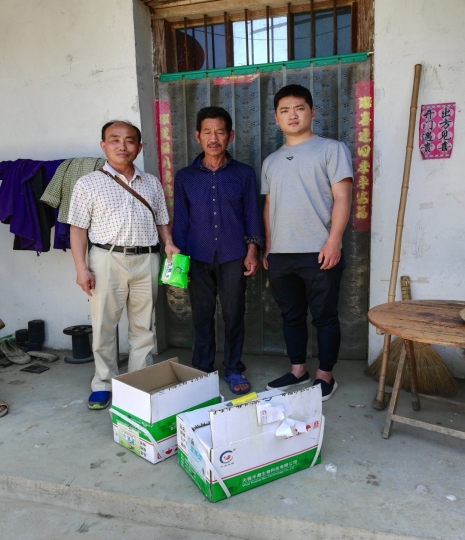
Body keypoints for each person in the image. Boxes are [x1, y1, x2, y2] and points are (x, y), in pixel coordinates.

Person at [68, 121, 179, 410]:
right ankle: (103, 383)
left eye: (129, 140)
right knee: (104, 325)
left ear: (139, 147)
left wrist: (168, 243)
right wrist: (81, 268)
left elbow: (162, 220)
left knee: (144, 326)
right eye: (114, 139)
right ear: (103, 145)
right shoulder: (88, 183)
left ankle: (139, 383)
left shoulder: (151, 183)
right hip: (106, 259)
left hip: (147, 259)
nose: (122, 146)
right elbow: (78, 229)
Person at [261, 85, 353, 401]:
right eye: (285, 110)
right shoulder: (271, 161)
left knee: (324, 317)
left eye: (299, 108)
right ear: (276, 118)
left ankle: (325, 375)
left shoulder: (331, 149)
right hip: (281, 255)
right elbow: (269, 206)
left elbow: (343, 197)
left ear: (312, 112)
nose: (292, 115)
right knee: (291, 316)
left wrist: (334, 241)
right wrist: (269, 247)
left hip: (319, 251)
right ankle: (297, 369)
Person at [173, 107, 264, 395]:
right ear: (197, 136)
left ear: (230, 136)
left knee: (234, 313)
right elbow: (181, 221)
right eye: (207, 132)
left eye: (220, 132)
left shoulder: (244, 174)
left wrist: (252, 251)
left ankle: (234, 368)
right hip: (197, 255)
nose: (214, 138)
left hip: (233, 255)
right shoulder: (185, 177)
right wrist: (180, 263)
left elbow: (252, 214)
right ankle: (202, 368)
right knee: (202, 314)